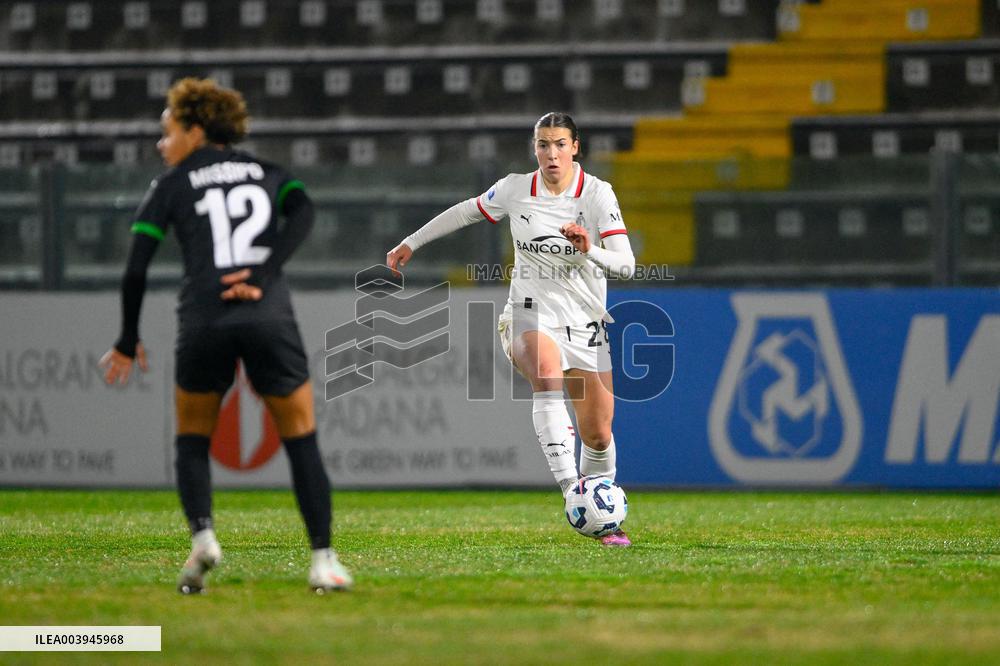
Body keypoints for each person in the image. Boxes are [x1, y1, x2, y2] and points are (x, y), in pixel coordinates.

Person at [99, 77, 352, 593]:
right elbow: (304, 211)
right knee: (300, 437)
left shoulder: (170, 184)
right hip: (268, 317)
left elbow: (135, 269)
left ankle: (203, 539)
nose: (161, 143)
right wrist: (262, 273)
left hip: (205, 318)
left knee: (192, 439)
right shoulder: (266, 171)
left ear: (194, 130)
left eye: (167, 132)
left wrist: (127, 337)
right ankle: (323, 561)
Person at [386, 112, 636, 546]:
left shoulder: (597, 194)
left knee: (598, 433)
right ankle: (572, 493)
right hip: (528, 310)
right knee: (545, 371)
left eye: (559, 144)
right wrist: (411, 242)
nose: (551, 153)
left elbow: (627, 265)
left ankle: (603, 517)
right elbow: (466, 212)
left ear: (576, 146)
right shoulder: (516, 189)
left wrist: (590, 249)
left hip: (586, 321)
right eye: (542, 144)